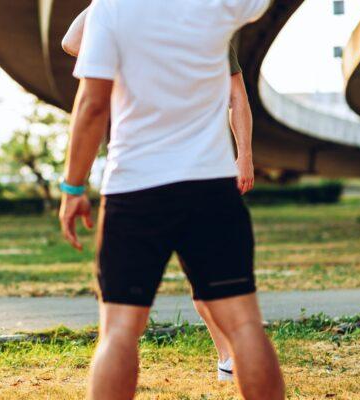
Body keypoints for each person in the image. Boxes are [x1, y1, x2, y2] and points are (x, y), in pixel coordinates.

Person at [57, 1, 285, 399]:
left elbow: (91, 104)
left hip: (134, 188)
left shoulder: (112, 10)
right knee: (245, 325)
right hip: (210, 186)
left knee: (120, 331)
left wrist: (73, 188)